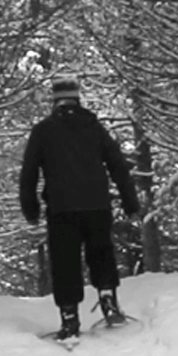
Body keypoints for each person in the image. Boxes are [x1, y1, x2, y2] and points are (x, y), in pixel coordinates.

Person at [19, 75, 140, 341]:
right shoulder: (94, 127)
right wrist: (131, 202)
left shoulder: (43, 131)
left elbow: (28, 173)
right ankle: (108, 298)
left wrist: (31, 209)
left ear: (54, 101)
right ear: (77, 98)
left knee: (65, 262)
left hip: (61, 208)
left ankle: (70, 317)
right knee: (101, 252)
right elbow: (118, 165)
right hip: (97, 204)